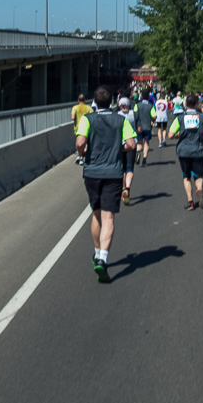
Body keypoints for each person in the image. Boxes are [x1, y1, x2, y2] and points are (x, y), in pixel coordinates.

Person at [77, 85, 137, 283]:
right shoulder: (120, 120)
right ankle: (103, 258)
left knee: (96, 212)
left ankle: (96, 252)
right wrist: (117, 148)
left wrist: (83, 154)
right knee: (108, 215)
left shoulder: (87, 119)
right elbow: (131, 145)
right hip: (113, 172)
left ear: (94, 103)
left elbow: (79, 143)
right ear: (112, 103)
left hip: (92, 172)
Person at [168, 92, 203, 210]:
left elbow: (170, 135)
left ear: (185, 104)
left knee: (186, 176)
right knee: (198, 176)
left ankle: (190, 201)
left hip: (184, 151)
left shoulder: (180, 118)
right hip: (198, 150)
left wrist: (178, 136)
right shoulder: (202, 117)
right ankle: (199, 190)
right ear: (197, 104)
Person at [134, 89, 155, 168]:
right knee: (146, 143)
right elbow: (154, 116)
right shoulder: (150, 106)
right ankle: (144, 159)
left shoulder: (137, 105)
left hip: (139, 127)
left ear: (141, 96)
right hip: (147, 127)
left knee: (139, 143)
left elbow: (135, 116)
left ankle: (138, 155)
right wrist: (152, 121)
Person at [71, 93, 92, 164]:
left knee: (78, 142)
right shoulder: (88, 107)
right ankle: (81, 157)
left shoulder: (75, 107)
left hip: (78, 128)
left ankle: (78, 155)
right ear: (85, 100)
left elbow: (73, 117)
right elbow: (92, 117)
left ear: (78, 100)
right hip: (86, 127)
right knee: (85, 143)